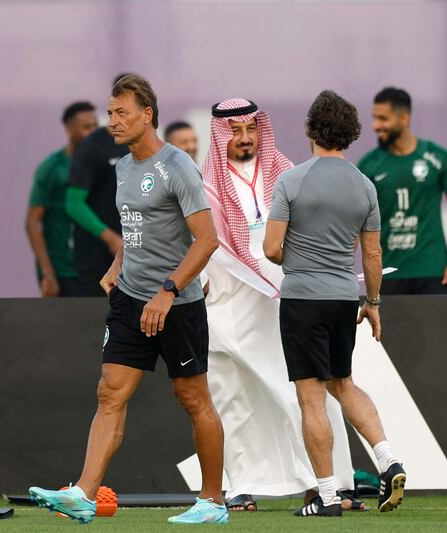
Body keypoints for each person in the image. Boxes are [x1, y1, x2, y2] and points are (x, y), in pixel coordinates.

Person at [30, 75, 227, 525]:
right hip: (130, 301)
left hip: (176, 305)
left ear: (147, 115)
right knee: (109, 393)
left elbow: (206, 240)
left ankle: (213, 502)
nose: (112, 120)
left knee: (193, 399)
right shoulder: (121, 167)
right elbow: (142, 229)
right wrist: (119, 263)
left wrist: (168, 291)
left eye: (121, 113)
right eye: (111, 112)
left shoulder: (177, 167)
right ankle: (83, 493)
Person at [201, 98, 355, 512]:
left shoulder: (286, 172)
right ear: (220, 135)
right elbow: (203, 242)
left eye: (251, 130)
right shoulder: (207, 182)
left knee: (301, 392)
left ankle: (325, 482)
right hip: (229, 298)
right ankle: (241, 484)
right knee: (233, 395)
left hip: (285, 292)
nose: (246, 139)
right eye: (235, 132)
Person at [264, 90, 406, 517]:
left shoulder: (291, 180)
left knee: (312, 397)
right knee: (343, 382)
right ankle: (388, 461)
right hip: (345, 298)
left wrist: (302, 257)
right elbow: (374, 255)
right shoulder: (364, 186)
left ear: (310, 129)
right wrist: (374, 302)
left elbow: (272, 249)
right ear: (351, 134)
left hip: (304, 298)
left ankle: (326, 498)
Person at [358, 87, 447, 295]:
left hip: (432, 271)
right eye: (374, 118)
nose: (375, 126)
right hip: (388, 272)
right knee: (390, 329)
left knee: (435, 328)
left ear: (404, 118)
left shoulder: (437, 157)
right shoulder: (369, 165)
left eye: (383, 118)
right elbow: (356, 219)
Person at [65, 75, 131, 296]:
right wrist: (110, 238)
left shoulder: (144, 146)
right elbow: (73, 203)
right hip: (97, 258)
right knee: (95, 324)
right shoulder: (93, 146)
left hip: (138, 255)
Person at [25, 101, 97, 297]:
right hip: (63, 270)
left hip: (96, 269)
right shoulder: (52, 168)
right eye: (86, 127)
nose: (92, 133)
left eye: (95, 127)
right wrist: (48, 273)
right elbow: (32, 221)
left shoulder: (103, 166)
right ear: (69, 130)